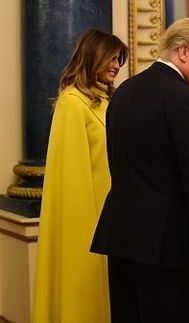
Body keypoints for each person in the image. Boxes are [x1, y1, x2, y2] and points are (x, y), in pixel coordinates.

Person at [90, 18, 189, 322]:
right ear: (182, 51)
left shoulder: (123, 92)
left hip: (122, 235)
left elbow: (118, 164)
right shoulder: (185, 100)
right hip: (166, 243)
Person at [32, 30, 128, 323]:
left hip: (113, 214)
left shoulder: (107, 100)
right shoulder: (72, 102)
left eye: (118, 59)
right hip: (87, 218)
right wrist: (88, 227)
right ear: (91, 56)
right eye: (110, 57)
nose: (115, 65)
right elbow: (71, 175)